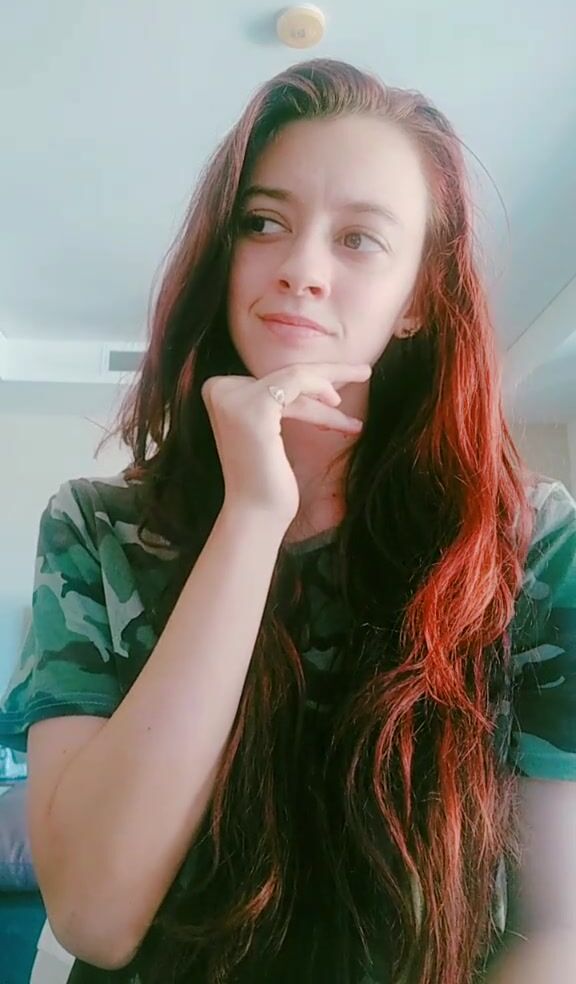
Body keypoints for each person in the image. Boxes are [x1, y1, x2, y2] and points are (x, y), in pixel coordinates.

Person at [1, 58, 576, 984]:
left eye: (359, 240)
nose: (300, 270)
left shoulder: (529, 542)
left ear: (419, 301)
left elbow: (556, 931)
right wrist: (253, 515)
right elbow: (95, 917)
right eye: (262, 223)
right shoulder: (94, 528)